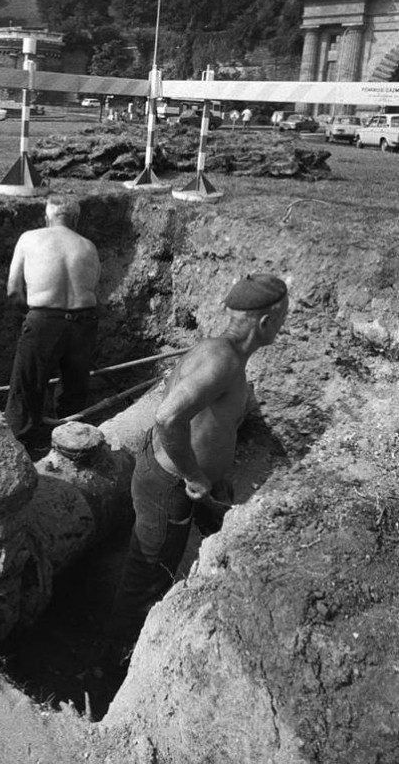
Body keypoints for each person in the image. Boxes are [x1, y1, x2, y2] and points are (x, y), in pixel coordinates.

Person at [109, 274, 288, 656]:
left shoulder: (219, 352)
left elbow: (207, 423)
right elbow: (167, 418)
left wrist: (213, 477)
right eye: (283, 319)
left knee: (153, 561)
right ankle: (118, 659)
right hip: (168, 484)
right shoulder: (222, 362)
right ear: (266, 323)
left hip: (169, 477)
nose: (283, 326)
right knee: (148, 573)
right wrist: (194, 475)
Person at [4, 195, 101, 439]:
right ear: (76, 219)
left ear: (47, 217)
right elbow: (94, 289)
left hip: (44, 317)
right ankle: (72, 445)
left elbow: (13, 290)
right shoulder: (88, 246)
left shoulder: (29, 238)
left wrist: (34, 320)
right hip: (84, 321)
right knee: (74, 391)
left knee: (26, 391)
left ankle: (24, 446)